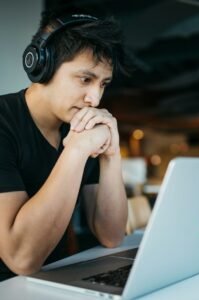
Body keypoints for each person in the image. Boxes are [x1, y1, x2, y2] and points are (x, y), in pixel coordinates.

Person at [0, 10, 129, 281]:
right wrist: (77, 150)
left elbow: (111, 235)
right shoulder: (4, 123)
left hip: (57, 282)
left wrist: (111, 154)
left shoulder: (79, 125)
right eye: (85, 79)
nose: (94, 98)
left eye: (103, 83)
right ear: (41, 65)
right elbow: (21, 258)